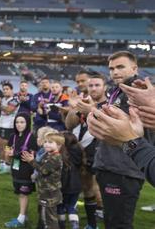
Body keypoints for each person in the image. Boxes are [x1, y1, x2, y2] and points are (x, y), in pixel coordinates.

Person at [92, 51, 145, 228]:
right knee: (112, 220)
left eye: (120, 67)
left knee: (119, 223)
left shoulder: (138, 92)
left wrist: (92, 112)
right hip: (111, 164)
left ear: (134, 68)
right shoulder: (119, 91)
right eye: (111, 68)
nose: (114, 72)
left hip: (123, 168)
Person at [65, 72, 104, 229]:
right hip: (77, 150)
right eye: (78, 81)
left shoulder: (108, 101)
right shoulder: (80, 99)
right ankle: (85, 221)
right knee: (80, 185)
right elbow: (69, 125)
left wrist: (91, 109)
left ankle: (96, 219)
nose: (81, 84)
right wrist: (73, 108)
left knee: (93, 187)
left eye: (84, 81)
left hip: (97, 150)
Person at [22, 132, 64, 229]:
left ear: (58, 145)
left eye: (50, 142)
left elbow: (44, 170)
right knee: (43, 215)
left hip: (49, 193)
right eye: (45, 142)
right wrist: (34, 159)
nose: (46, 144)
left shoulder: (55, 158)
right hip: (45, 191)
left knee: (49, 219)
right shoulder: (48, 154)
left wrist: (31, 161)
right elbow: (40, 165)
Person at [4, 113, 38, 228]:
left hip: (27, 170)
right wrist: (7, 153)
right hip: (16, 168)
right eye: (17, 122)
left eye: (22, 122)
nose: (19, 125)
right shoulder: (12, 136)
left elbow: (29, 155)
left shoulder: (32, 137)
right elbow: (8, 148)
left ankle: (21, 219)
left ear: (27, 123)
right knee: (21, 193)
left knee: (23, 194)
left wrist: (14, 153)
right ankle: (24, 216)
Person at [58, 132, 83, 229]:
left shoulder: (63, 154)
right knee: (72, 206)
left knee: (61, 206)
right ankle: (75, 225)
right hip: (76, 186)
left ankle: (61, 224)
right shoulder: (79, 151)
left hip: (64, 186)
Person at [0, 82, 19, 174]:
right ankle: (2, 164)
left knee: (7, 147)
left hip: (10, 126)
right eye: (4, 89)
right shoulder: (2, 99)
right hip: (1, 125)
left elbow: (8, 111)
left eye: (7, 89)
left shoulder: (15, 100)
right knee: (0, 145)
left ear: (11, 90)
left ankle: (7, 165)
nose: (5, 91)